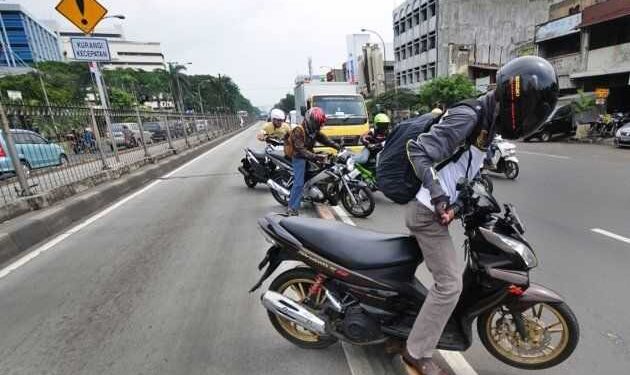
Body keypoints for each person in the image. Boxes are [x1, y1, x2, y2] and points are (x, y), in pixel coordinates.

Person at [402, 56, 558, 375]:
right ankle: (415, 351)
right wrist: (438, 194)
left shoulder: (489, 124)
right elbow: (418, 150)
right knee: (449, 286)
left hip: (441, 212)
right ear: (516, 100)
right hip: (425, 213)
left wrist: (462, 206)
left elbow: (468, 173)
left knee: (447, 278)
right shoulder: (468, 116)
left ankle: (413, 322)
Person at [285, 107, 340, 216]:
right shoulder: (298, 130)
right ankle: (292, 207)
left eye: (320, 124)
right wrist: (315, 157)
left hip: (309, 154)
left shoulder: (313, 130)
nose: (318, 126)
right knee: (299, 183)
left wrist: (337, 146)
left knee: (324, 168)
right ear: (310, 120)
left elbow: (324, 139)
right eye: (317, 123)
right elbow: (300, 149)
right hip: (299, 157)